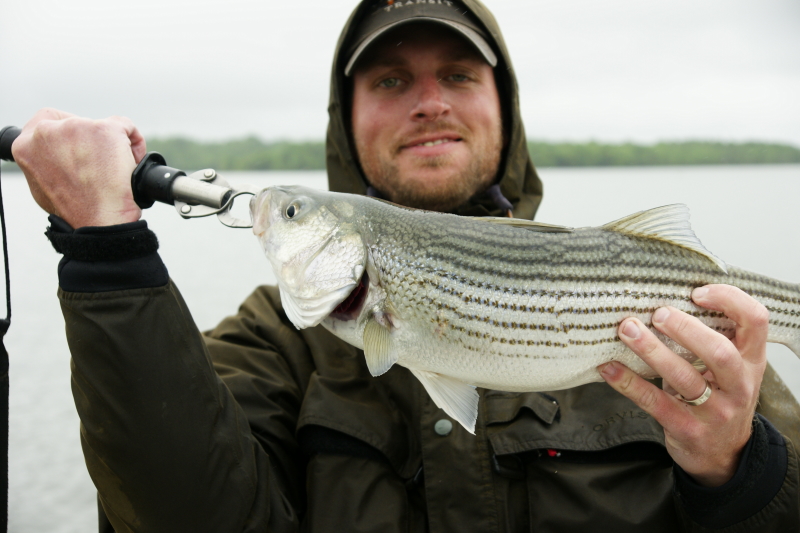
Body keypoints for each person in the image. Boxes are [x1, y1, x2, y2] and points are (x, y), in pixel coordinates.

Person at [11, 1, 800, 531]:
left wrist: (743, 469)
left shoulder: (711, 349)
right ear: (346, 122)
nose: (429, 101)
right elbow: (177, 511)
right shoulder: (271, 341)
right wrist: (107, 255)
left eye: (458, 75)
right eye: (391, 80)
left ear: (505, 108)